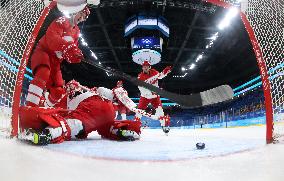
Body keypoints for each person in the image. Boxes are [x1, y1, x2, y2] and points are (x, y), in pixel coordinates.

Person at [19, 80, 141, 145]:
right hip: (108, 111)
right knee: (106, 127)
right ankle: (120, 131)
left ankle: (46, 134)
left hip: (93, 105)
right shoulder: (85, 90)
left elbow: (50, 109)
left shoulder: (61, 97)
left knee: (70, 125)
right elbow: (105, 92)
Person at [25, 3, 90, 107]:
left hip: (56, 61)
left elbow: (72, 50)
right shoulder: (62, 20)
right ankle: (30, 107)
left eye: (84, 17)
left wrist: (75, 56)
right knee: (43, 74)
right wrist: (67, 47)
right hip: (44, 52)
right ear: (75, 11)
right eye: (81, 14)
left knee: (58, 91)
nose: (82, 18)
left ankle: (44, 106)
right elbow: (52, 39)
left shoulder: (76, 31)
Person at [135, 60, 172, 132]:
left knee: (160, 111)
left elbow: (160, 76)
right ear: (142, 68)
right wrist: (152, 93)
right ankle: (135, 126)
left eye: (147, 67)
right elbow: (142, 90)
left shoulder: (154, 72)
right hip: (145, 97)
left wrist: (165, 72)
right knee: (139, 112)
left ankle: (164, 126)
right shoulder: (140, 77)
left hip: (155, 97)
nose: (145, 68)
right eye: (144, 67)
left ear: (149, 67)